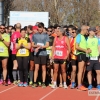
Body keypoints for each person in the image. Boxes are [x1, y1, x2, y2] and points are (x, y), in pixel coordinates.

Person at [32, 22, 49, 88]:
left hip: (43, 54)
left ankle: (43, 82)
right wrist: (37, 46)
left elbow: (47, 45)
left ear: (43, 28)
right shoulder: (34, 35)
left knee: (43, 68)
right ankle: (35, 82)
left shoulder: (46, 35)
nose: (40, 29)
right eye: (39, 27)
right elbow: (33, 44)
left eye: (41, 27)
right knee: (36, 68)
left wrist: (40, 47)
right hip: (36, 54)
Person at [76, 25, 91, 91]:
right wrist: (85, 50)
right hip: (81, 54)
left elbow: (85, 46)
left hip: (85, 54)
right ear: (83, 30)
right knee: (80, 70)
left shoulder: (84, 37)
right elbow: (77, 46)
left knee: (84, 70)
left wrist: (88, 49)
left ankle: (81, 84)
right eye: (87, 30)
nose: (87, 31)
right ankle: (79, 85)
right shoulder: (79, 36)